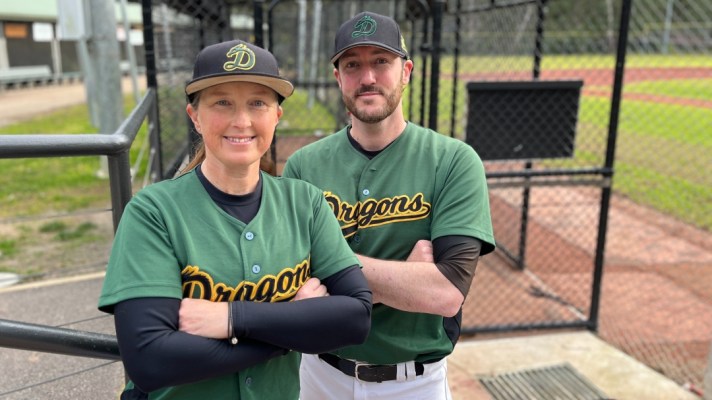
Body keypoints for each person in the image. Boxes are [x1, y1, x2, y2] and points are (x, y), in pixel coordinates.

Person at [98, 39, 372, 400]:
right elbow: (150, 359)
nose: (241, 121)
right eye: (222, 102)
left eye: (257, 103)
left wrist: (232, 318)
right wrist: (291, 325)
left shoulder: (305, 202)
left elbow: (356, 318)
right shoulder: (154, 212)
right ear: (195, 116)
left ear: (276, 116)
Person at [282, 11, 496, 399]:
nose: (367, 77)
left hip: (415, 383)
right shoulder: (303, 166)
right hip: (318, 376)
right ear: (338, 77)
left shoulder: (453, 161)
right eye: (352, 65)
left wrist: (333, 273)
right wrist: (407, 280)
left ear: (406, 71)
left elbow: (445, 294)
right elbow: (292, 285)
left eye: (381, 61)